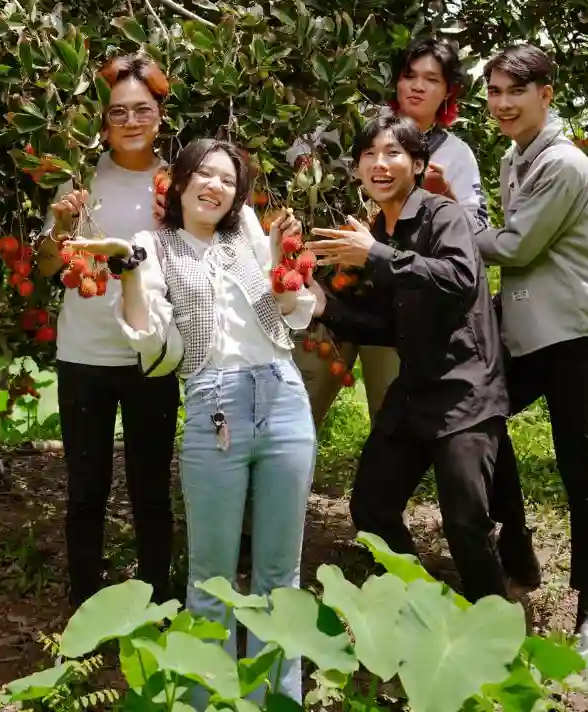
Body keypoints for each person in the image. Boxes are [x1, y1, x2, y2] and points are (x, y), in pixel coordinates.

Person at [81, 139, 315, 703]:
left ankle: (275, 700)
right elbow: (153, 344)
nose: (215, 186)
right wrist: (128, 272)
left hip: (284, 394)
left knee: (280, 577)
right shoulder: (152, 246)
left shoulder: (249, 234)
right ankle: (205, 701)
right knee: (211, 578)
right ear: (181, 181)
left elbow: (291, 312)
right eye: (204, 174)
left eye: (228, 180)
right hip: (216, 405)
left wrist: (285, 264)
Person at [305, 115, 509, 602]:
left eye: (393, 153)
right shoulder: (380, 231)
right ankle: (424, 601)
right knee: (372, 508)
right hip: (414, 391)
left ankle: (498, 631)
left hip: (465, 392)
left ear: (417, 165)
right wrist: (324, 306)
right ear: (357, 169)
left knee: (465, 524)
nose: (380, 163)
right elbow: (384, 325)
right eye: (369, 155)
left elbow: (459, 279)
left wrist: (375, 255)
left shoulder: (443, 216)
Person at [475, 44, 588, 652]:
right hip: (528, 334)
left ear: (546, 95)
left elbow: (515, 248)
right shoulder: (515, 159)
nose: (503, 103)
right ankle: (518, 548)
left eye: (516, 91)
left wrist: (444, 227)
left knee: (578, 470)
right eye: (494, 92)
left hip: (575, 336)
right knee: (479, 414)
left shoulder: (565, 165)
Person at [35, 52, 178, 606]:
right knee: (86, 492)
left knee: (151, 493)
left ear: (160, 115)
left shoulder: (177, 182)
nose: (131, 122)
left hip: (152, 356)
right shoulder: (80, 179)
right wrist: (62, 225)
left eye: (142, 110)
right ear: (103, 122)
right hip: (84, 355)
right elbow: (48, 266)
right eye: (119, 113)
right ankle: (84, 606)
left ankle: (157, 601)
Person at [292, 38, 488, 426]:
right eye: (409, 76)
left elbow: (475, 238)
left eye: (431, 79)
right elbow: (300, 154)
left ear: (448, 91)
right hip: (333, 286)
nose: (417, 86)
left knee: (393, 413)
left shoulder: (457, 155)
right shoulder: (363, 126)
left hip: (399, 300)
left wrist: (444, 196)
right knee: (299, 400)